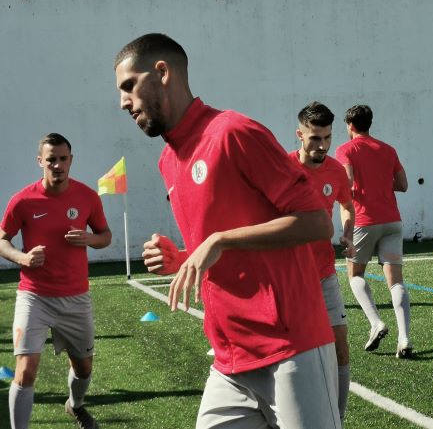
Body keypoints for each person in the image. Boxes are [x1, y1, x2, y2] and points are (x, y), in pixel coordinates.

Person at [114, 33, 341, 428]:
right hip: (229, 358)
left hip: (291, 348)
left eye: (129, 85)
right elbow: (219, 247)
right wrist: (182, 258)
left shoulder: (233, 132)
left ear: (162, 73)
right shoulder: (168, 160)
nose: (123, 102)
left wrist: (220, 240)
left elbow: (316, 222)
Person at [0, 133, 112, 429]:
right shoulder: (22, 200)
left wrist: (89, 238)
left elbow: (105, 236)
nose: (58, 165)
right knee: (25, 371)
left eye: (63, 159)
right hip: (33, 297)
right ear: (40, 161)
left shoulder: (87, 197)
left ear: (71, 160)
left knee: (84, 368)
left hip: (76, 297)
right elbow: (2, 240)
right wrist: (22, 258)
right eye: (51, 160)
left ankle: (75, 405)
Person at [290, 101, 355, 425]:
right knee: (292, 354)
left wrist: (347, 233)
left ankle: (337, 420)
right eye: (315, 138)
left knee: (340, 349)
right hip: (289, 278)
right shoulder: (282, 169)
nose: (322, 145)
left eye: (327, 138)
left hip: (325, 273)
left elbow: (347, 205)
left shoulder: (335, 171)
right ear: (300, 135)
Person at [335, 105, 413, 359]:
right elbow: (403, 184)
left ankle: (376, 323)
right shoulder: (388, 149)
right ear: (370, 123)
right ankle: (404, 339)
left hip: (364, 221)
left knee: (355, 274)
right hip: (392, 221)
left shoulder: (345, 149)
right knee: (396, 281)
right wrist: (380, 184)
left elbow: (347, 183)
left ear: (349, 125)